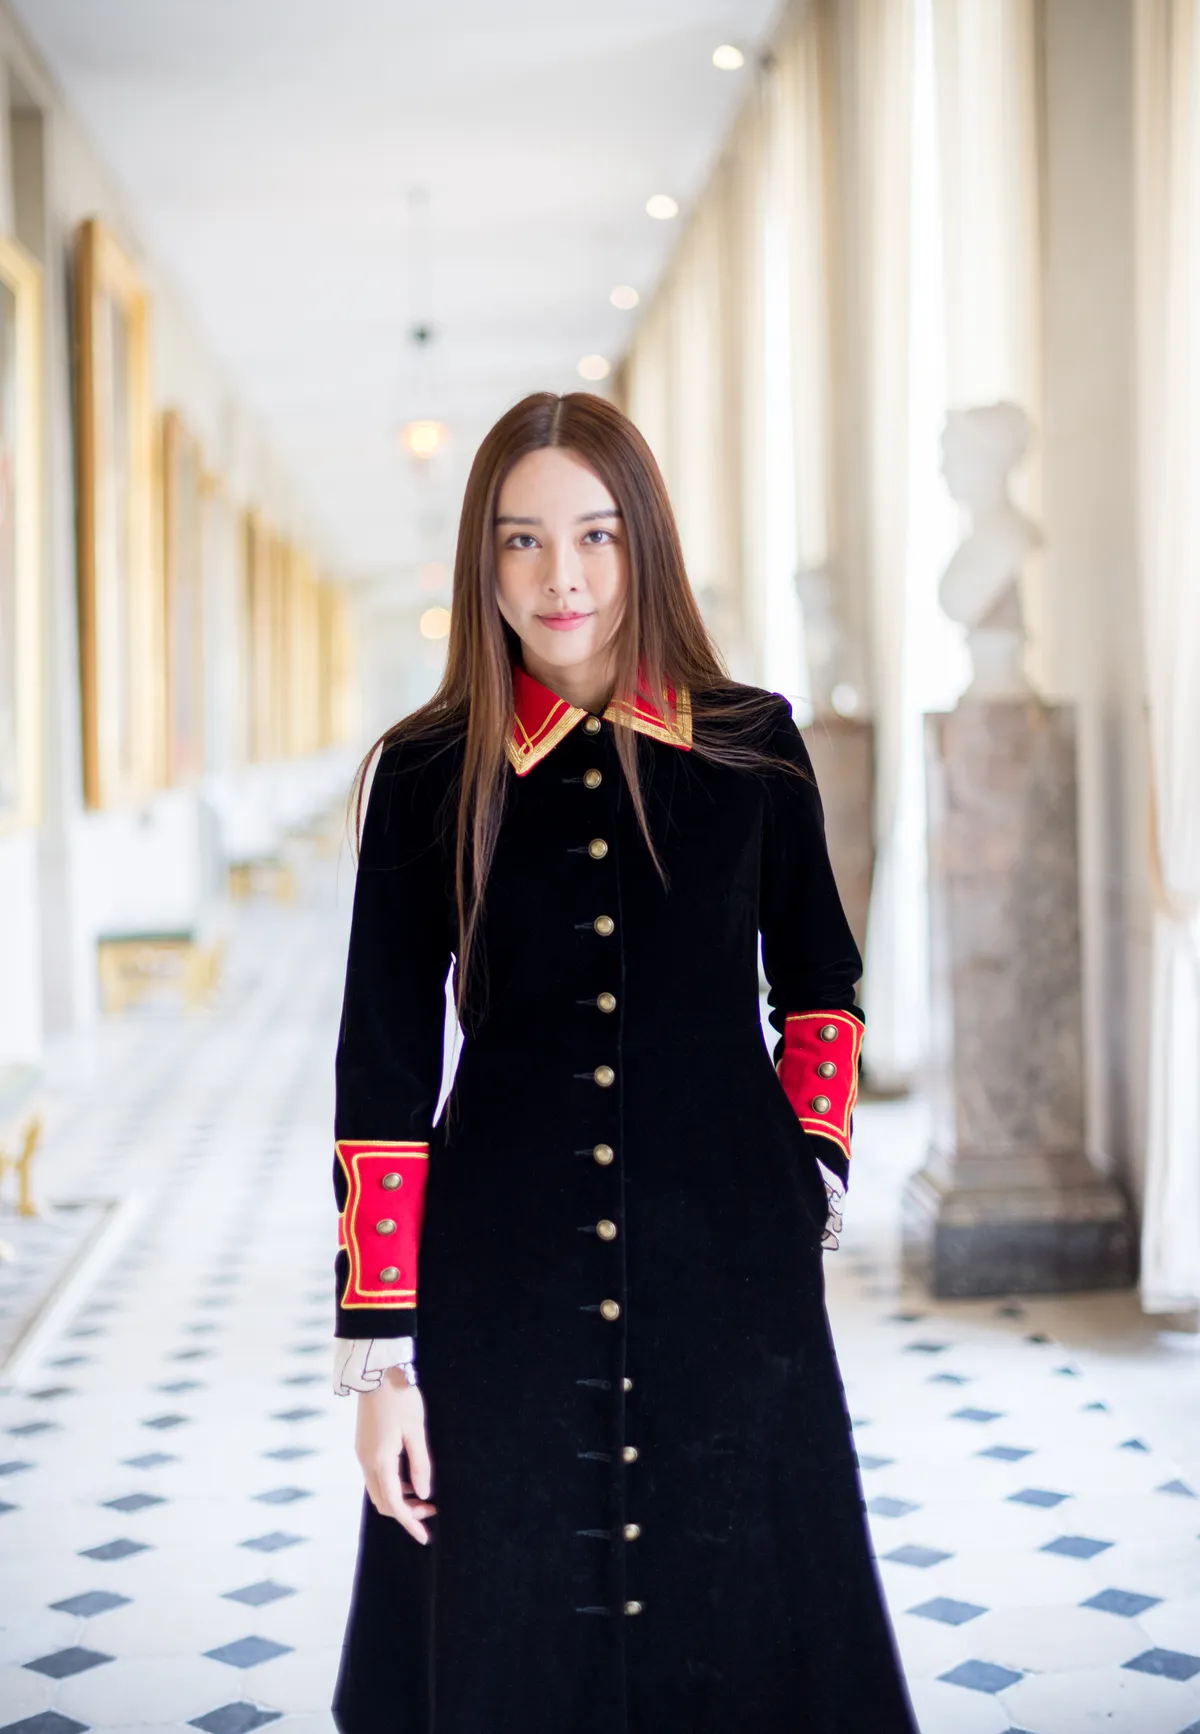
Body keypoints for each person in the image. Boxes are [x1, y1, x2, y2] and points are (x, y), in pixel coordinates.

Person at [329, 392, 917, 1734]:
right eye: (522, 542)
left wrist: (811, 1163)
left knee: (752, 1617)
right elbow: (382, 1062)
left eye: (593, 534)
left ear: (642, 542)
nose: (562, 576)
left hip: (732, 1269)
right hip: (501, 1276)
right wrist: (379, 1359)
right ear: (483, 563)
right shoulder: (428, 775)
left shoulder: (752, 742)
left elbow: (820, 980)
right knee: (512, 1628)